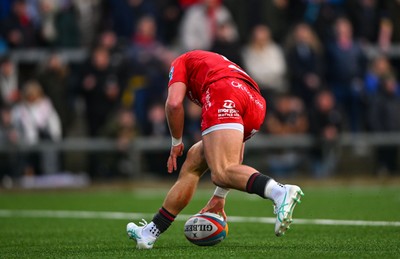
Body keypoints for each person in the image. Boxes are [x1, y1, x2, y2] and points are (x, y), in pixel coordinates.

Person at [126, 50, 304, 249]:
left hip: (223, 91)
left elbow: (174, 103)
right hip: (254, 102)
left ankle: (278, 191)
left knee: (220, 173)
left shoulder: (180, 62)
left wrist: (176, 142)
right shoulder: (214, 63)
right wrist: (220, 196)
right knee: (195, 160)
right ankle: (150, 232)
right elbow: (236, 153)